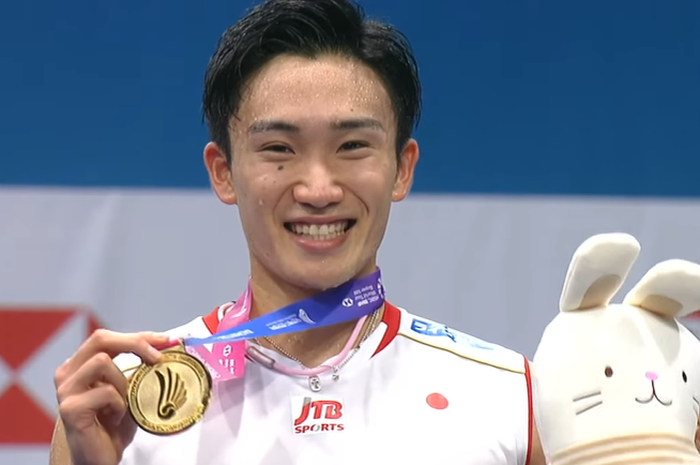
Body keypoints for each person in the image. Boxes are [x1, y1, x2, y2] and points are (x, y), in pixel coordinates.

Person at [50, 0, 546, 463]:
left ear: (402, 168)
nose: (318, 188)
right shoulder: (123, 406)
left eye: (352, 145)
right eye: (279, 149)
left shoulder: (511, 396)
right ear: (223, 172)